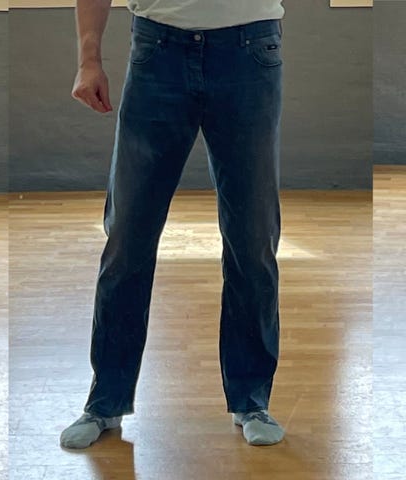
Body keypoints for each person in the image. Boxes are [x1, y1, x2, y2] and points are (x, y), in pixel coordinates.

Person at [61, 0, 286, 449]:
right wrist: (89, 59)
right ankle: (105, 401)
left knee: (252, 239)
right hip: (157, 49)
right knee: (127, 237)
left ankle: (252, 400)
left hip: (250, 48)